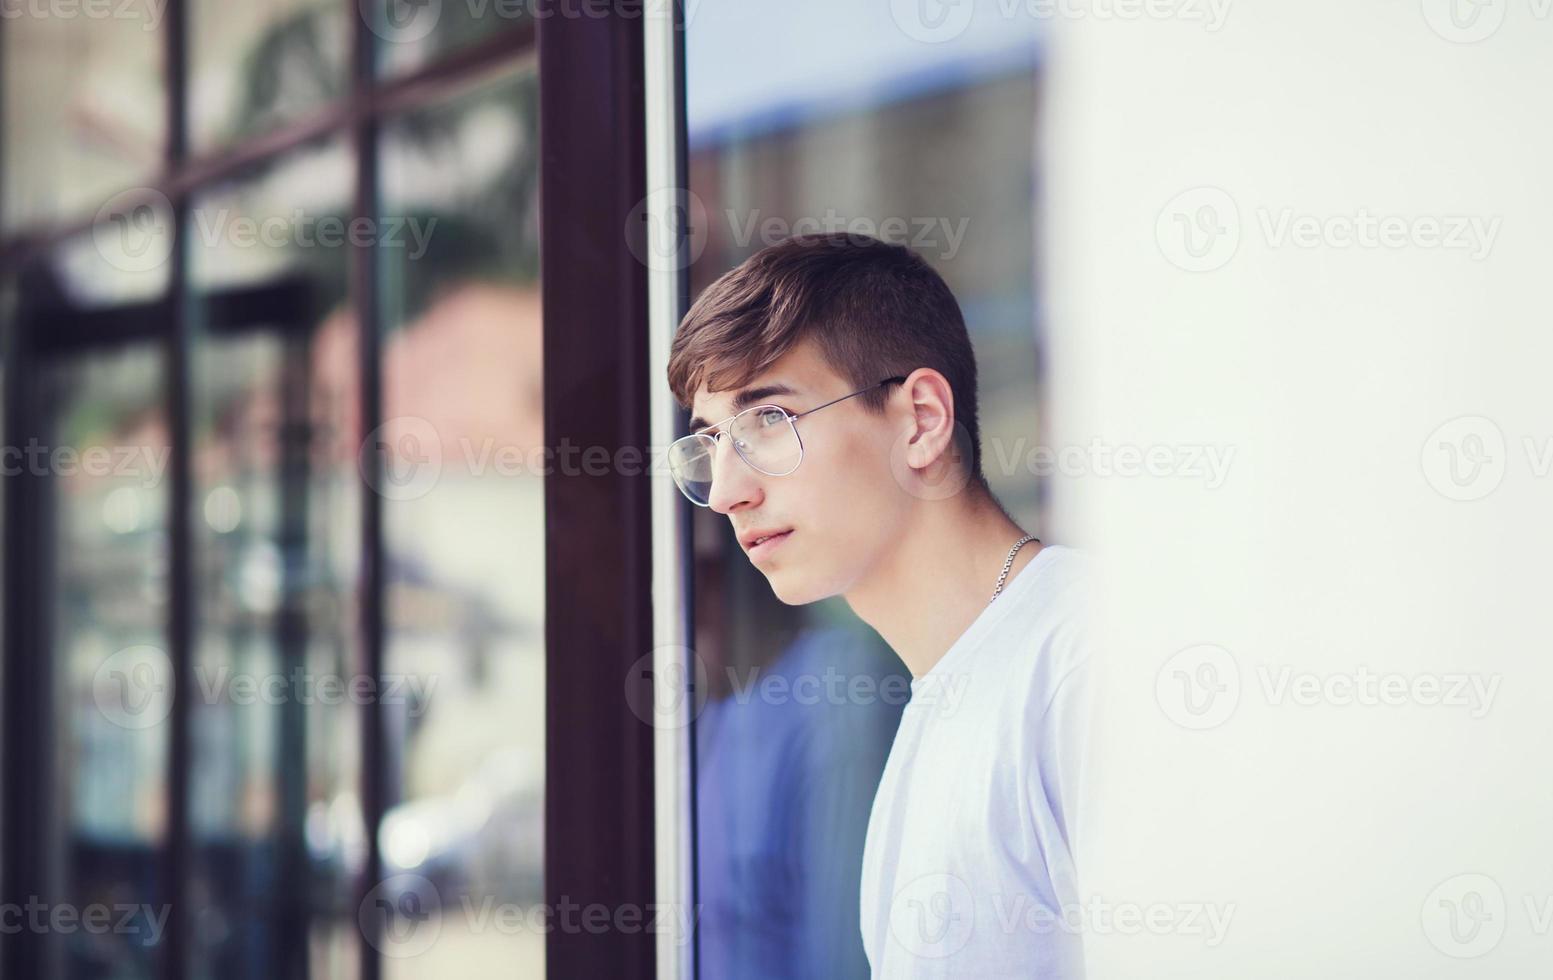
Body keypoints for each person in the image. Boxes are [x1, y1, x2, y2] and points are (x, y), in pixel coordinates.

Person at [665, 233, 1094, 978]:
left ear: (921, 419)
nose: (729, 492)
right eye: (710, 442)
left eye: (768, 420)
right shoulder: (941, 695)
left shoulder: (1083, 660)